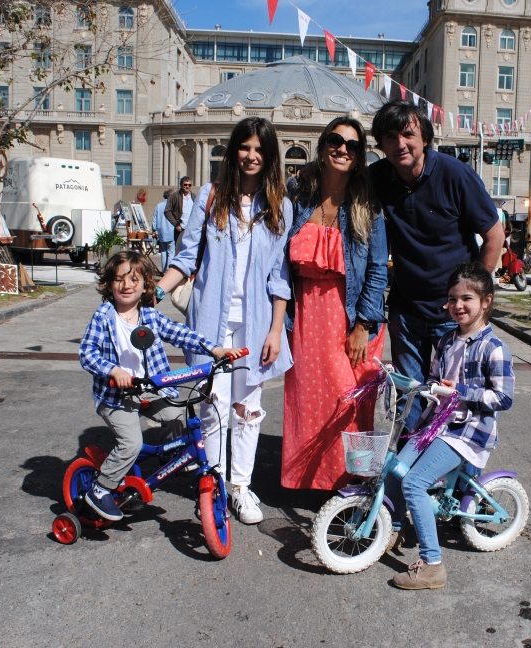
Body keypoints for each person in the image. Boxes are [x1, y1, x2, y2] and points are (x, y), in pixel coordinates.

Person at [156, 117, 292, 525]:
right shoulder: (211, 198)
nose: (251, 156)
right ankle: (211, 481)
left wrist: (275, 329)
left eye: (259, 150)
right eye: (244, 147)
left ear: (269, 157)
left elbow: (280, 277)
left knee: (247, 408)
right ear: (233, 151)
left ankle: (240, 487)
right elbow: (185, 256)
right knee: (212, 405)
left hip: (255, 326)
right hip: (209, 324)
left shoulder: (280, 206)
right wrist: (155, 293)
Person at [369, 100, 504, 431]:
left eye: (408, 134)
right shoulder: (377, 177)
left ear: (424, 137)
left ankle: (447, 471)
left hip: (453, 312)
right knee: (410, 396)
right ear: (381, 144)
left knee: (453, 397)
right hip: (407, 308)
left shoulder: (454, 174)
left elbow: (494, 235)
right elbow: (338, 177)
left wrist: (474, 295)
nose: (400, 143)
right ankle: (411, 467)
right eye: (390, 136)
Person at [78, 251, 237, 521]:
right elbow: (87, 353)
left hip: (149, 388)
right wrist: (113, 370)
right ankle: (101, 487)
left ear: (145, 285)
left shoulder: (149, 316)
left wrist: (214, 348)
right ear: (109, 284)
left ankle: (168, 455)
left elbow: (179, 333)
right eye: (119, 280)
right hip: (116, 396)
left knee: (178, 414)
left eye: (133, 280)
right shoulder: (104, 316)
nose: (126, 286)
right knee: (131, 442)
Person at [385, 262, 515, 590]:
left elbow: (503, 398)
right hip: (439, 424)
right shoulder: (446, 340)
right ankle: (394, 527)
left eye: (466, 298)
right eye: (452, 299)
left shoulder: (494, 348)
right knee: (393, 466)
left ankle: (432, 565)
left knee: (414, 483)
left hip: (468, 432)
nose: (458, 306)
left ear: (486, 301)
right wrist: (423, 386)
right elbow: (433, 378)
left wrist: (461, 393)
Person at [282, 117, 388, 490]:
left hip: (347, 317)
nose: (343, 149)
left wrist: (363, 326)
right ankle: (314, 482)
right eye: (335, 141)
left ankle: (361, 483)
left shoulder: (366, 205)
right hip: (304, 316)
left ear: (359, 157)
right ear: (323, 145)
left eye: (352, 145)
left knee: (353, 403)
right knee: (309, 405)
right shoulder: (298, 194)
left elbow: (377, 269)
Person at [165, 176, 195, 247]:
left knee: (191, 251)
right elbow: (167, 211)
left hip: (191, 229)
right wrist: (176, 224)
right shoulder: (174, 196)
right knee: (179, 251)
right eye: (185, 184)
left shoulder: (194, 196)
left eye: (189, 185)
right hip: (180, 229)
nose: (187, 186)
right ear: (181, 185)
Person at [153, 189, 175, 274]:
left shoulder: (159, 205)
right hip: (171, 231)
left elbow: (154, 218)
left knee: (163, 252)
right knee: (171, 252)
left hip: (161, 231)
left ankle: (163, 270)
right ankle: (168, 271)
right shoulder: (172, 205)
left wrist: (154, 229)